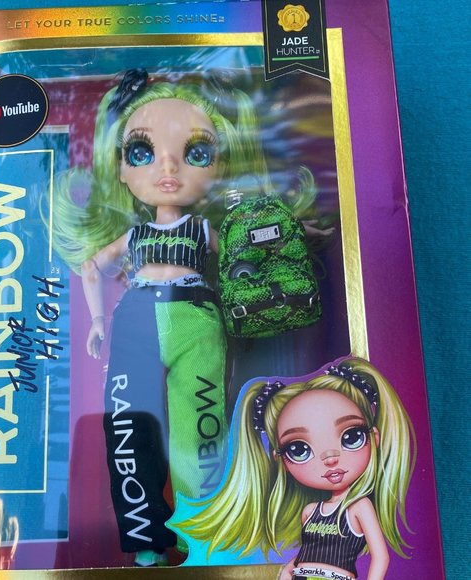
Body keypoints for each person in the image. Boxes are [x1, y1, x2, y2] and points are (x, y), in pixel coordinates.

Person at [50, 68, 274, 566]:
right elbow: (91, 267)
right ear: (121, 168)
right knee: (128, 433)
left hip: (197, 319)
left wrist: (276, 246)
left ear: (221, 165)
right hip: (136, 319)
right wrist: (98, 321)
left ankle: (204, 535)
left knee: (202, 431)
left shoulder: (205, 229)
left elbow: (242, 255)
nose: (168, 166)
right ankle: (145, 541)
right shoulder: (133, 235)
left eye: (197, 153)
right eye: (141, 152)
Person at [176, 358, 415, 579]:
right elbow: (308, 552)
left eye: (351, 437)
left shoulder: (359, 507)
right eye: (299, 449)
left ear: (374, 438)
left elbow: (381, 557)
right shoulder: (309, 512)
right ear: (281, 460)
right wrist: (287, 571)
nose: (330, 458)